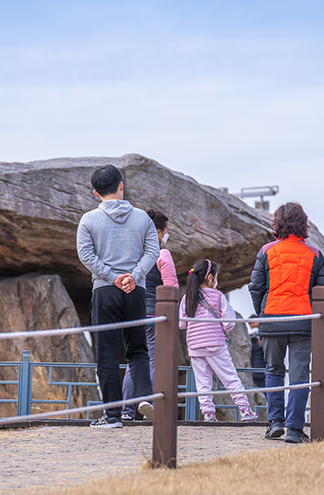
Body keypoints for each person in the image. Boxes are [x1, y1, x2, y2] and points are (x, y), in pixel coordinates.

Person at [76, 164, 160, 430]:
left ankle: (112, 416)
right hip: (136, 291)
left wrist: (112, 277)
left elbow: (86, 255)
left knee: (108, 354)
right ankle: (145, 397)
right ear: (121, 185)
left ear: (95, 192)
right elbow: (152, 252)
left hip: (104, 291)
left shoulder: (88, 220)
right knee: (138, 349)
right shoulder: (143, 219)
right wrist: (133, 276)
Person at [249, 202, 324, 443]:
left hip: (272, 318)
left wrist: (262, 312)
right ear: (303, 224)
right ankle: (295, 429)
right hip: (303, 322)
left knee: (273, 371)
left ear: (277, 224)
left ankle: (275, 422)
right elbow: (323, 291)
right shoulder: (315, 254)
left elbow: (256, 287)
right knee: (299, 375)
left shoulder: (266, 251)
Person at [179, 259, 257, 423]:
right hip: (215, 343)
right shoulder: (218, 295)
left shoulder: (188, 297)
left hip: (195, 346)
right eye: (216, 276)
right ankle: (245, 410)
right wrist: (224, 330)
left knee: (202, 382)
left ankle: (208, 414)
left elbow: (181, 323)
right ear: (209, 277)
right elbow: (229, 322)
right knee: (229, 377)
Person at [121, 209, 178, 421]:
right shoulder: (162, 255)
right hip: (155, 316)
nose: (166, 235)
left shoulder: (132, 255)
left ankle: (126, 411)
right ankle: (149, 406)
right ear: (156, 232)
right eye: (166, 231)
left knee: (133, 361)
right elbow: (171, 287)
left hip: (134, 314)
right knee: (153, 360)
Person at [247, 316, 266, 393]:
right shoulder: (247, 336)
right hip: (252, 373)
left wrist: (262, 342)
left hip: (263, 373)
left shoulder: (265, 336)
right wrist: (247, 340)